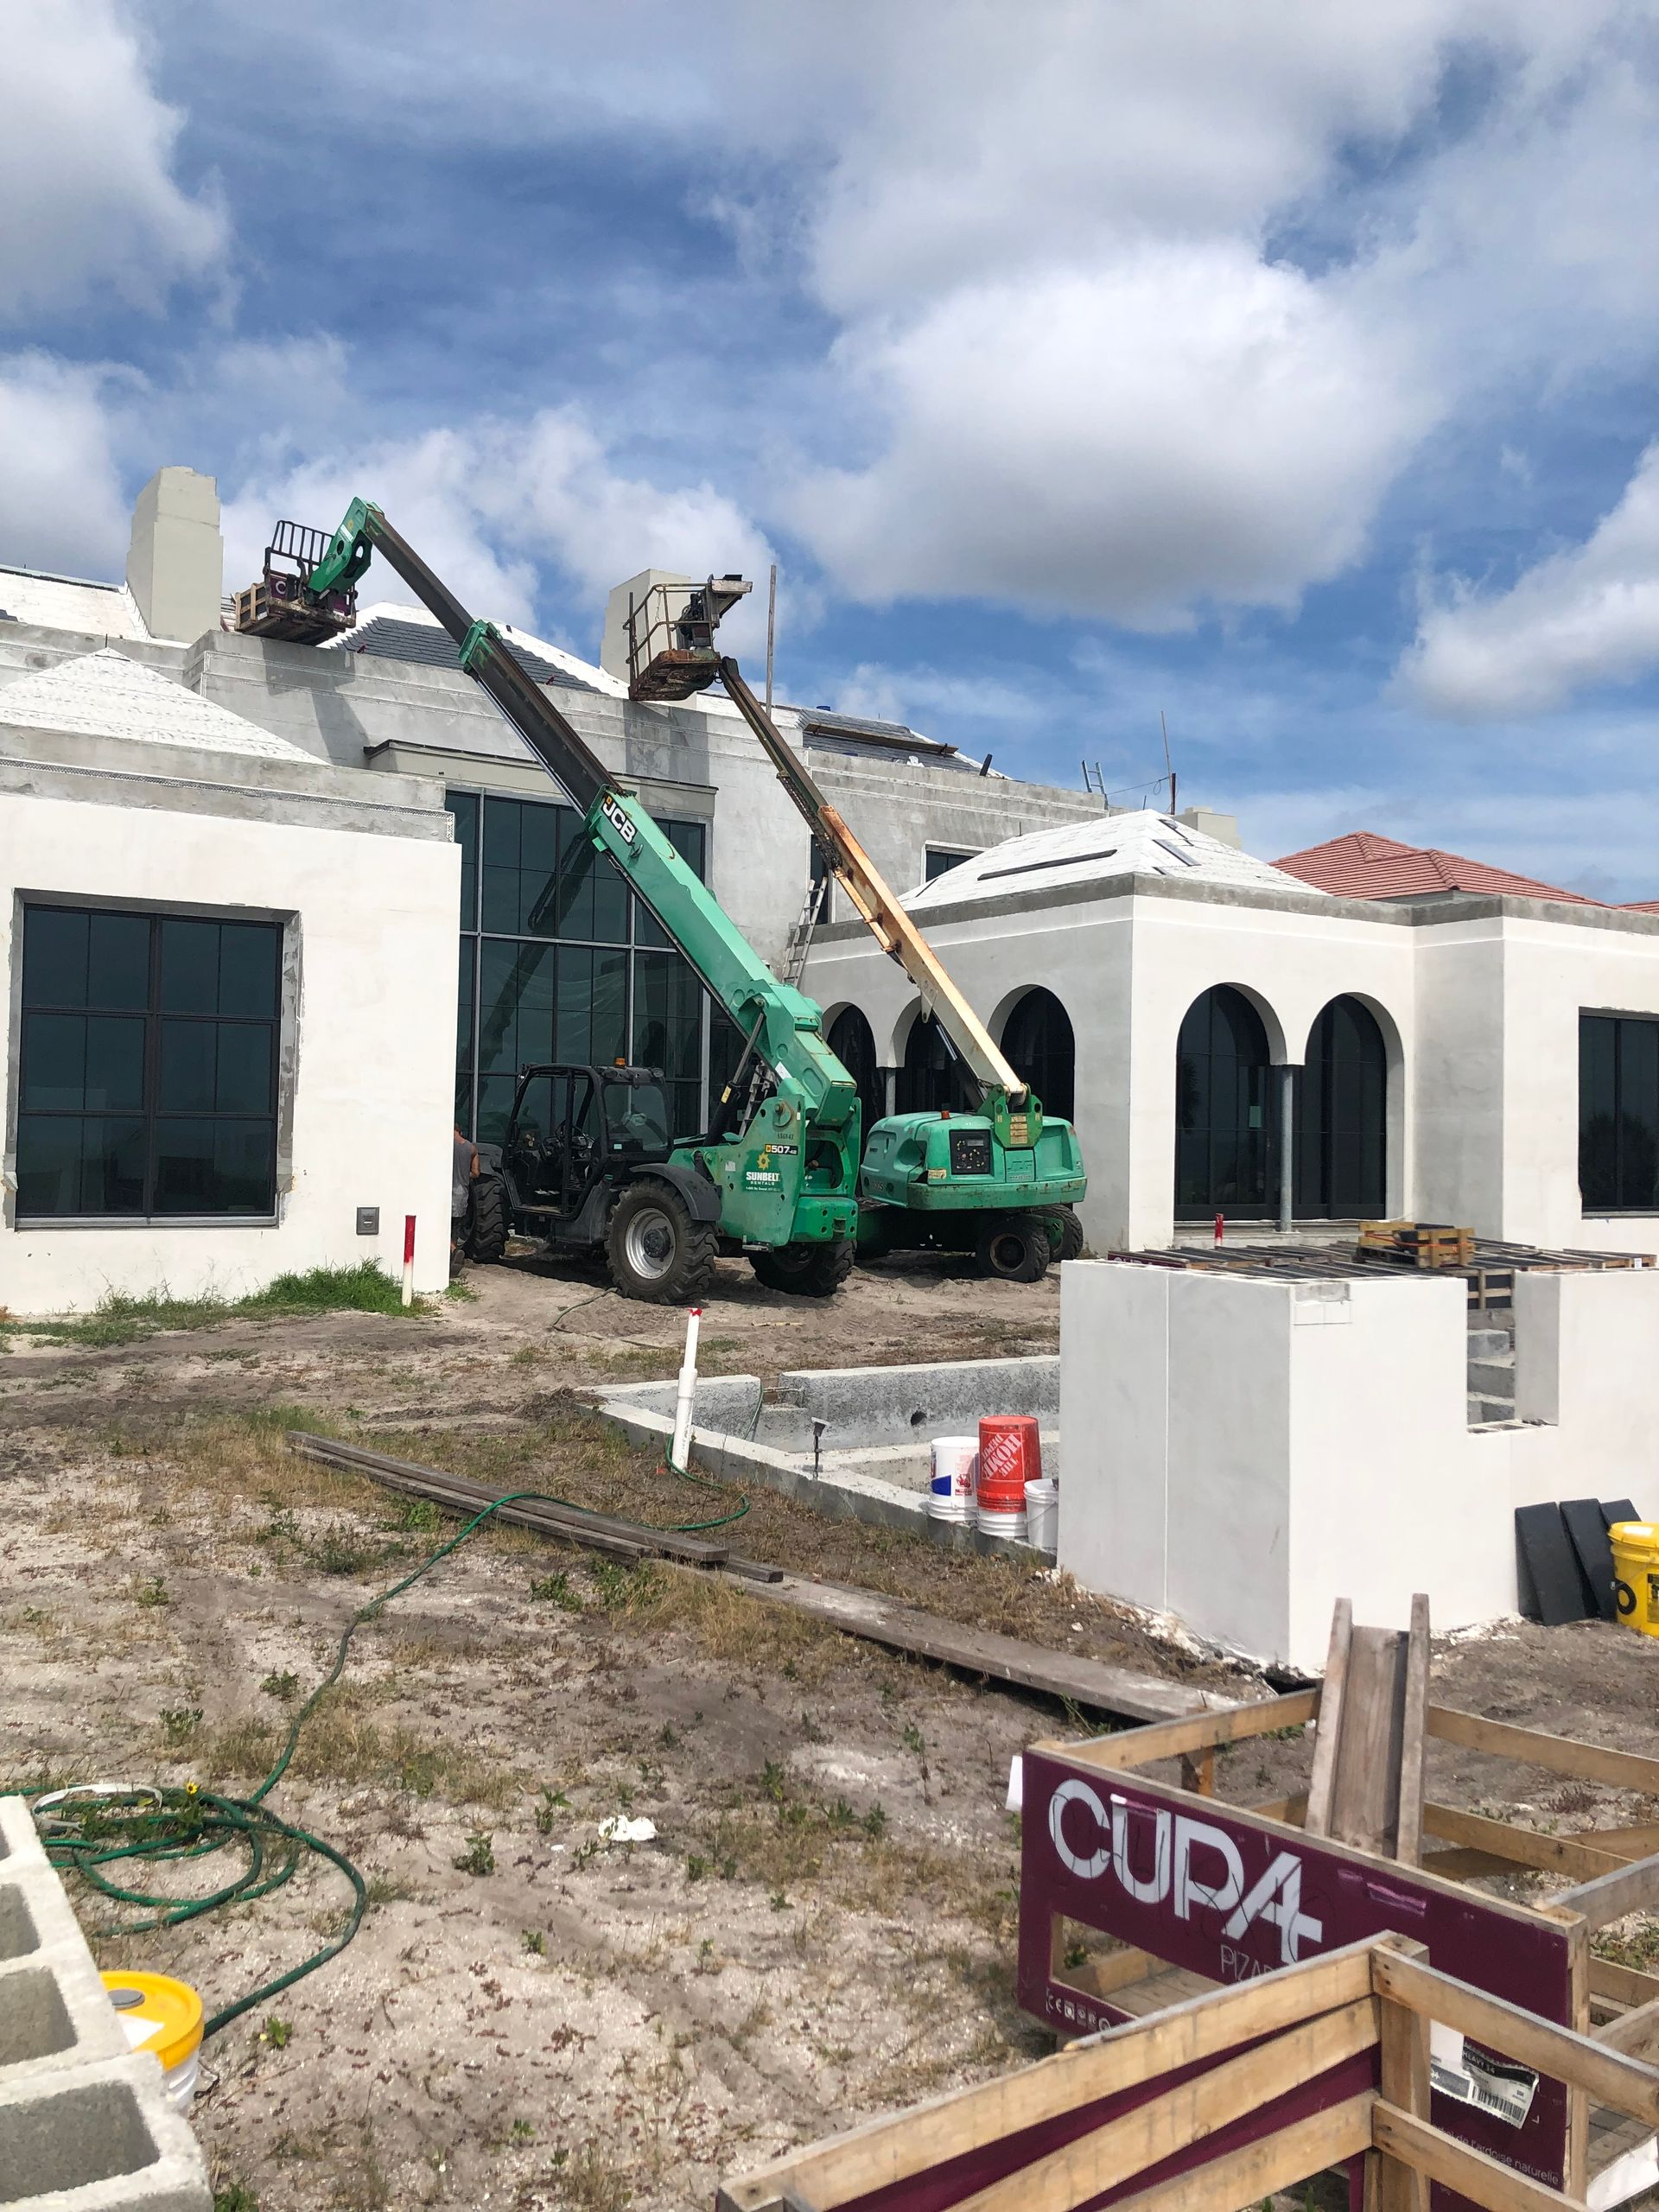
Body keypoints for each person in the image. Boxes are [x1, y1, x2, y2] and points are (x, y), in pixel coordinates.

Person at [450, 1125, 478, 1269]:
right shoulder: (471, 1148)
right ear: (461, 1132)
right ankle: (454, 1251)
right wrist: (462, 1176)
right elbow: (476, 1173)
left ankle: (450, 1253)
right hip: (462, 1193)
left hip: (446, 1193)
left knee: (443, 1226)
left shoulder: (445, 1145)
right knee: (456, 1226)